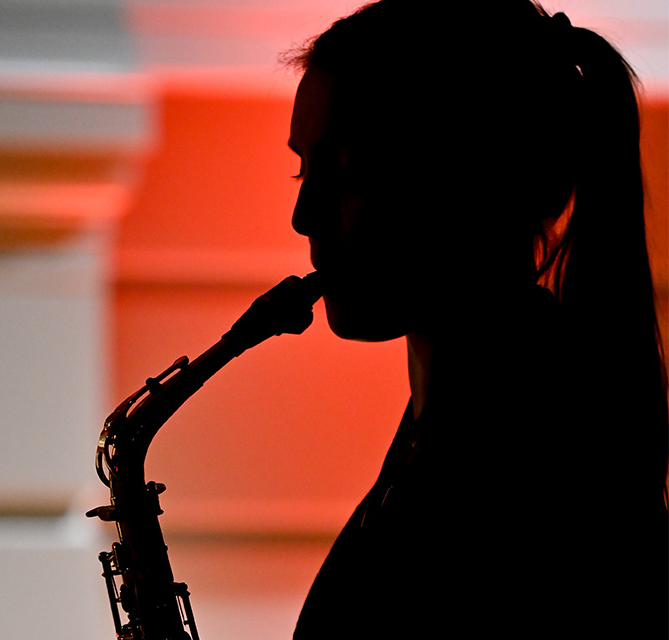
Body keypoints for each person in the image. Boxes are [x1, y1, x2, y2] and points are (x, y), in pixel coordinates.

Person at [284, 0, 668, 636]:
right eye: (302, 166)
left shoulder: (528, 464)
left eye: (343, 169)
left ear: (462, 177)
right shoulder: (464, 425)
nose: (303, 215)